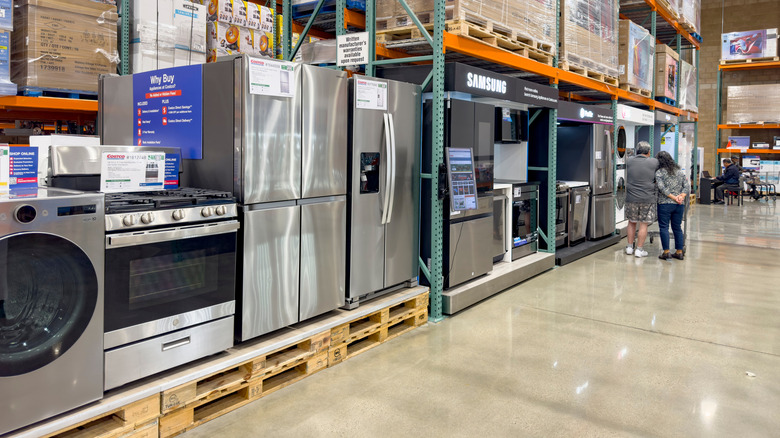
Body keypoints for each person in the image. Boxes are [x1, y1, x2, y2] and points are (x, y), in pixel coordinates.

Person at [625, 141, 658, 258]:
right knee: (643, 224)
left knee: (631, 222)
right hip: (647, 198)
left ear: (637, 151)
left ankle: (629, 247)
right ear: (648, 152)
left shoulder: (629, 161)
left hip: (631, 197)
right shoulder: (654, 162)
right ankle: (639, 250)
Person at [655, 151, 690, 260]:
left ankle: (666, 252)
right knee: (677, 227)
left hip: (665, 204)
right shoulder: (679, 171)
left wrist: (673, 197)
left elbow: (661, 188)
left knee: (664, 227)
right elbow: (687, 186)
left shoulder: (659, 172)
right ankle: (679, 252)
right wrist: (681, 197)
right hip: (679, 205)